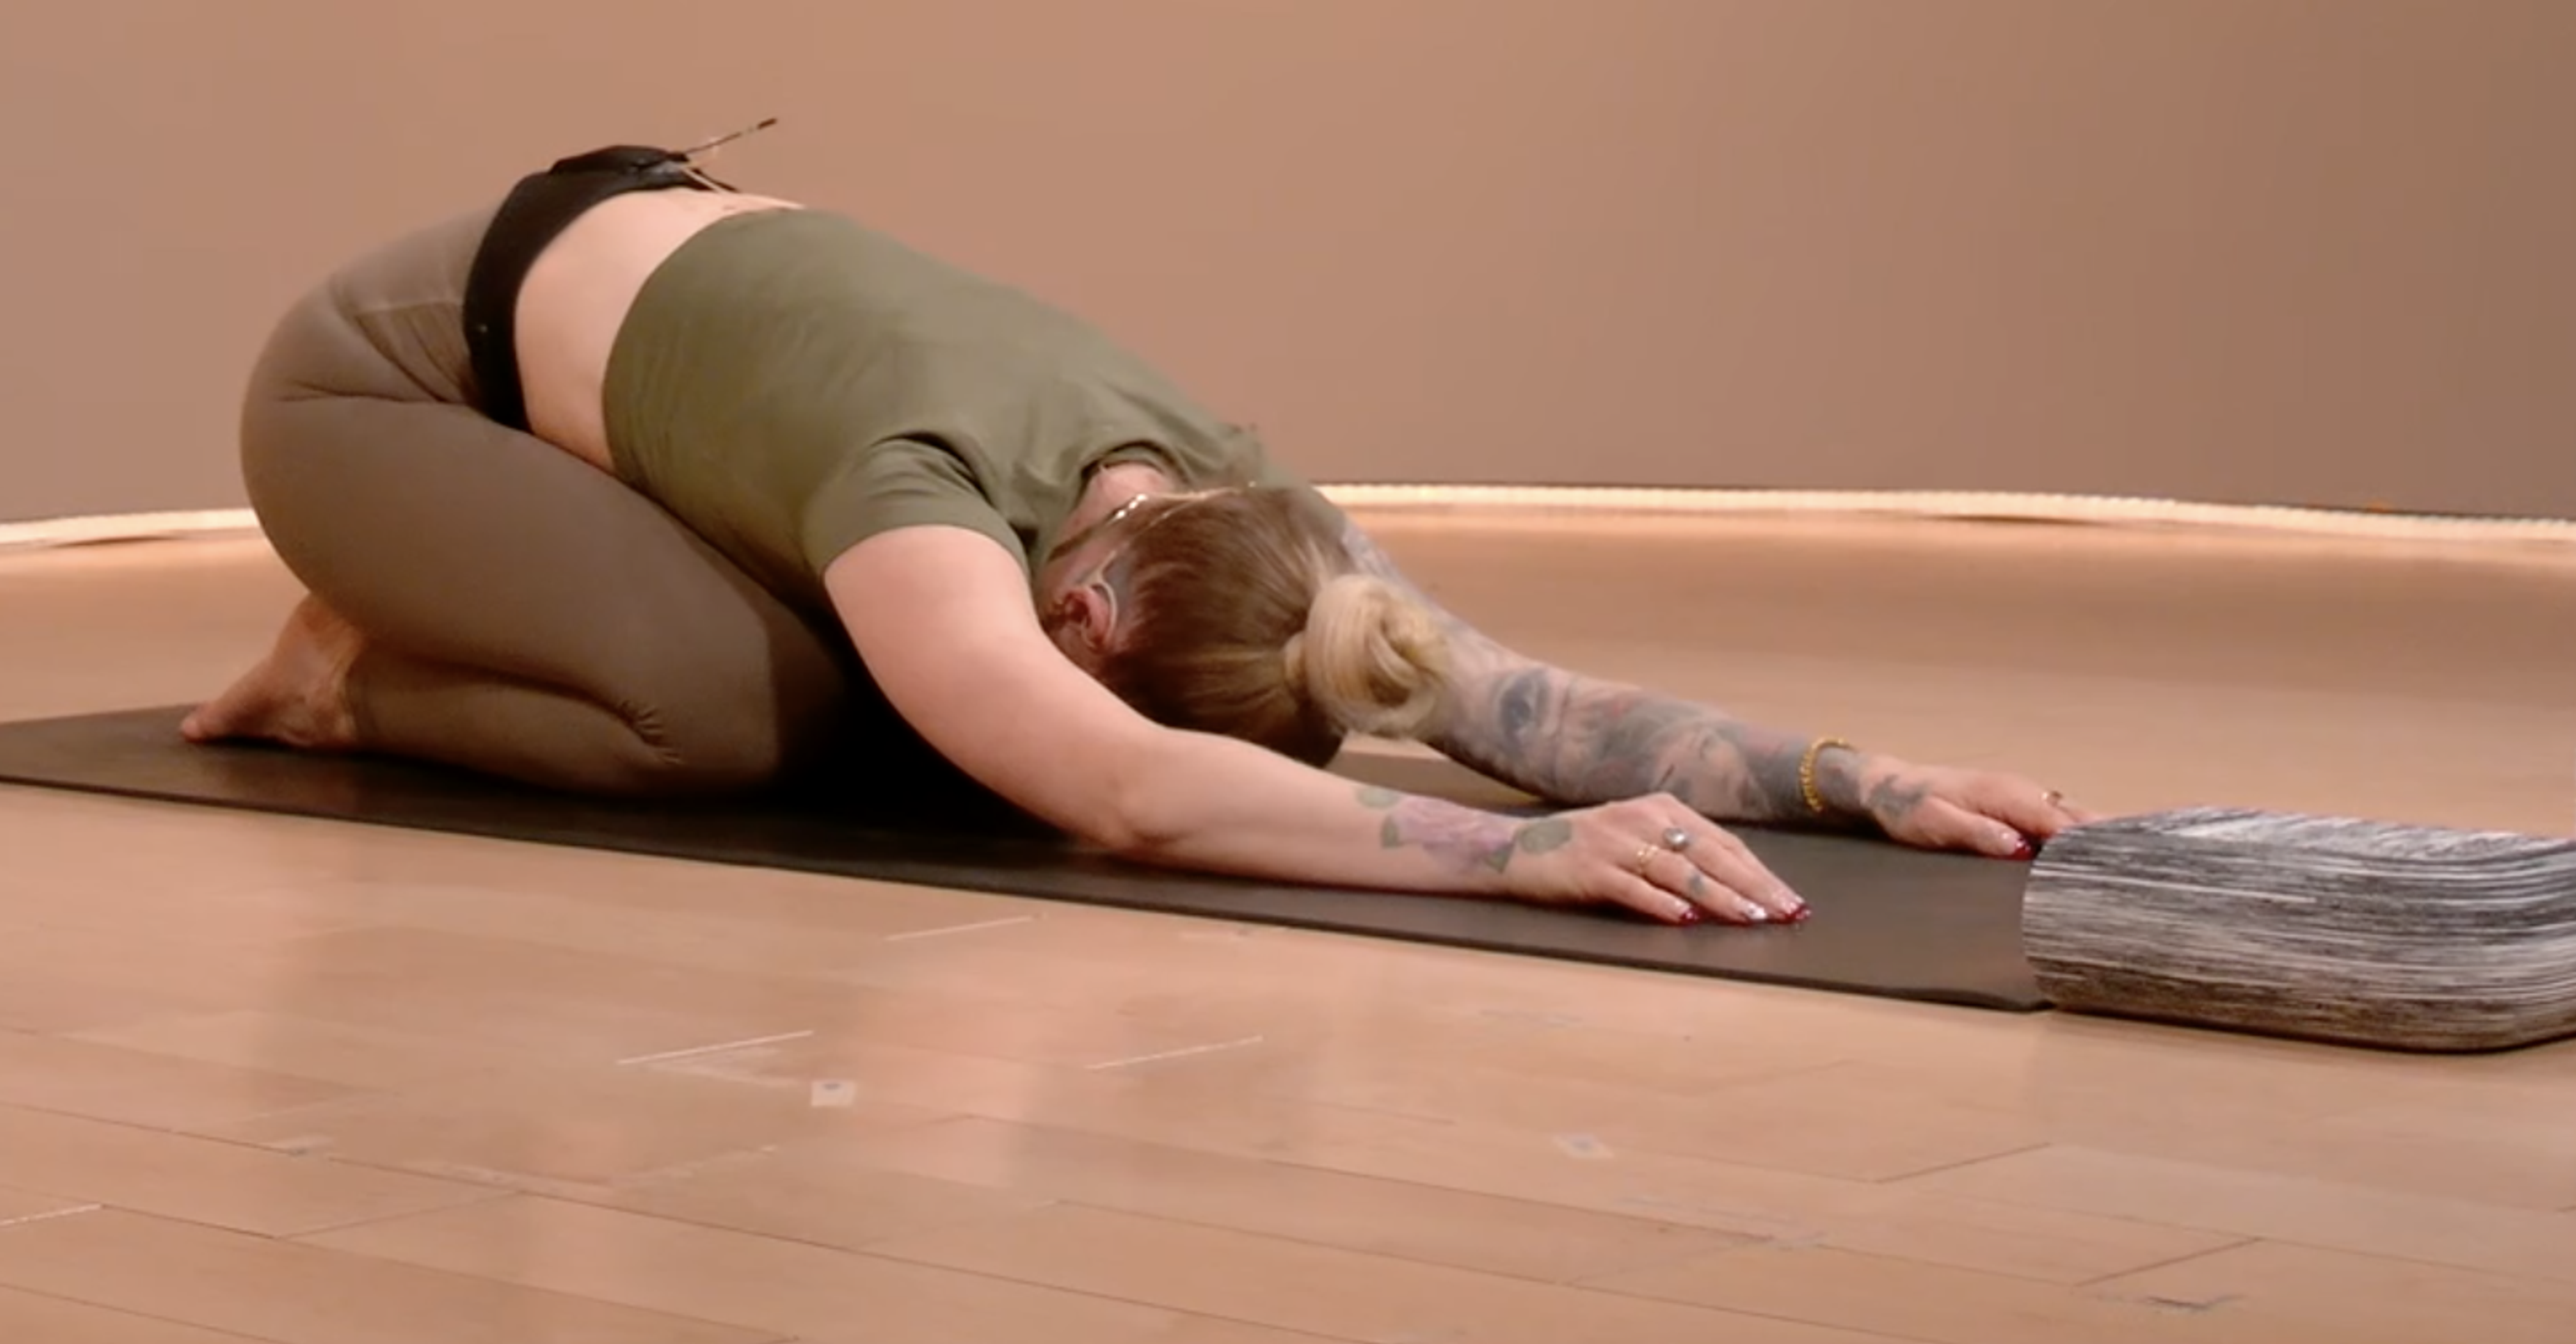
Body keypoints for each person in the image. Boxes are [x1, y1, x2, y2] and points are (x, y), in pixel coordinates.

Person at [188, 135, 2090, 927]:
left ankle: (525, 575)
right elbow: (1126, 795)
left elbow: (1520, 706)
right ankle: (340, 672)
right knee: (738, 725)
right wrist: (1508, 862)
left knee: (913, 719)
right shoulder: (921, 499)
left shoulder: (1248, 514)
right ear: (1090, 620)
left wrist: (1865, 780)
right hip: (382, 397)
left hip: (607, 352)